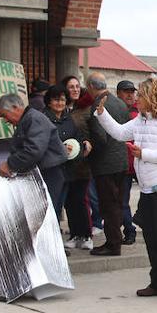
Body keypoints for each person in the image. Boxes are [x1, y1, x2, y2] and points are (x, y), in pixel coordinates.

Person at [94, 77, 157, 303]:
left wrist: (143, 154)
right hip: (149, 188)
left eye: (141, 95)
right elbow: (119, 133)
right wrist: (101, 114)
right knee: (152, 237)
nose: (136, 99)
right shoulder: (141, 121)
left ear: (152, 97)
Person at [0, 92, 67, 218]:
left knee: (45, 216)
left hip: (49, 173)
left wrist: (10, 164)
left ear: (15, 108)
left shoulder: (34, 118)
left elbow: (34, 150)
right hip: (42, 172)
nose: (5, 120)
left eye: (4, 116)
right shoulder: (28, 119)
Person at [85, 72, 130, 257]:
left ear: (90, 87)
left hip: (105, 164)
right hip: (121, 160)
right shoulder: (119, 102)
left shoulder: (98, 105)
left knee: (108, 205)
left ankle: (113, 243)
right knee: (118, 203)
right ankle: (115, 239)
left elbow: (100, 138)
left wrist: (89, 148)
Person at [62, 79, 95, 251]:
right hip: (66, 161)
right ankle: (75, 234)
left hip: (83, 160)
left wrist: (88, 142)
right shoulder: (63, 109)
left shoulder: (87, 108)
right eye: (70, 87)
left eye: (76, 86)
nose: (75, 89)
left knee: (81, 199)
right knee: (69, 200)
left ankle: (86, 235)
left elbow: (93, 131)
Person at [42, 86, 81, 221]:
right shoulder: (43, 119)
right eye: (56, 100)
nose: (60, 103)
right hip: (50, 170)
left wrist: (80, 146)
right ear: (48, 102)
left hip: (67, 170)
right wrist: (60, 148)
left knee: (59, 206)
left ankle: (56, 235)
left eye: (63, 100)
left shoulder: (68, 118)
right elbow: (41, 143)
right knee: (50, 207)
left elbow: (77, 138)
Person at [117, 80, 140, 245]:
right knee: (122, 201)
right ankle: (129, 232)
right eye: (126, 91)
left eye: (132, 91)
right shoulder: (115, 111)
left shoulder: (142, 111)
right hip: (123, 165)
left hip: (141, 162)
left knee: (152, 198)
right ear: (119, 93)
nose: (130, 94)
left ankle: (146, 224)